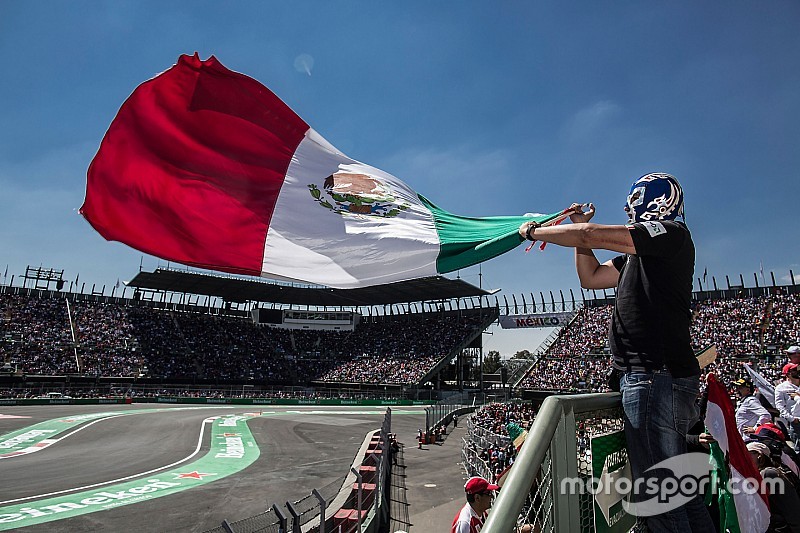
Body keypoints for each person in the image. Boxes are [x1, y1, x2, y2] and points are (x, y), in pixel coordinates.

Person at [519, 173, 713, 531]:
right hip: (658, 378)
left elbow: (592, 236)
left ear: (655, 200)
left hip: (656, 375)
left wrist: (534, 233)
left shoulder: (672, 234)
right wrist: (580, 229)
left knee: (661, 501)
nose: (628, 207)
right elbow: (590, 276)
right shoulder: (640, 257)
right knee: (681, 495)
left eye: (634, 199)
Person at [746, 441, 800, 532]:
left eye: (748, 454)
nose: (745, 458)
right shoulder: (765, 474)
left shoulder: (769, 474)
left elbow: (790, 508)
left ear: (759, 455)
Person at [774, 363, 800, 449]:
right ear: (789, 374)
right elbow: (780, 406)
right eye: (795, 370)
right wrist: (791, 419)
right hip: (797, 422)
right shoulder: (781, 388)